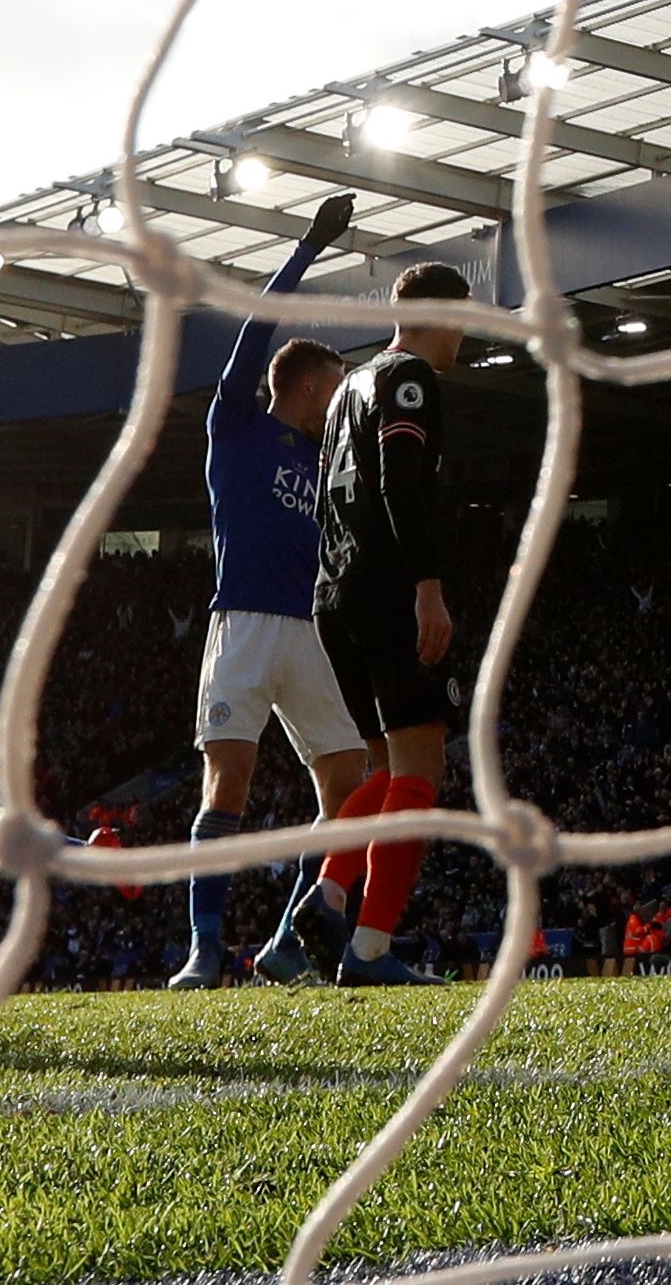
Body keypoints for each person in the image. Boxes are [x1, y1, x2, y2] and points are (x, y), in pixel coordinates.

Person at [179, 193, 374, 991]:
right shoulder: (237, 426)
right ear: (298, 386)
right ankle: (203, 950)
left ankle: (290, 940)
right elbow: (257, 325)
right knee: (228, 783)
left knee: (352, 782)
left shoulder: (318, 461)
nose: (337, 407)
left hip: (313, 630)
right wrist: (307, 243)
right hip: (246, 625)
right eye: (332, 391)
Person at [301, 260, 471, 986]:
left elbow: (324, 501)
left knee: (389, 765)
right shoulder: (410, 379)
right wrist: (426, 586)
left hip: (335, 592)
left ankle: (330, 893)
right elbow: (400, 478)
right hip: (386, 590)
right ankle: (368, 950)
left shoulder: (347, 388)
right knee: (421, 769)